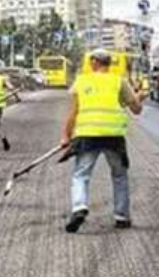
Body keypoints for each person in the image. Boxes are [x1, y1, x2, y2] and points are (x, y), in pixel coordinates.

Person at [59, 49, 144, 233]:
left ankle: (79, 208)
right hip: (113, 136)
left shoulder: (82, 81)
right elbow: (136, 109)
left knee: (81, 175)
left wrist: (66, 135)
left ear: (94, 62)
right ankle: (122, 216)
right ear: (108, 63)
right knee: (119, 176)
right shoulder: (119, 81)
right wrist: (139, 98)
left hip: (88, 135)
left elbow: (74, 112)